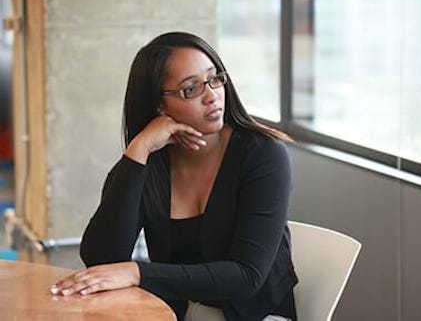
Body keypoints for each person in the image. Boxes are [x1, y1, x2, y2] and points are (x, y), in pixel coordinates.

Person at [50, 32, 298, 321]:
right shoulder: (148, 163)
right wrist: (138, 151)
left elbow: (246, 276)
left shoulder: (263, 154)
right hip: (172, 314)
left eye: (214, 78)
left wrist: (137, 272)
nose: (212, 96)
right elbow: (101, 260)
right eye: (191, 89)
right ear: (159, 106)